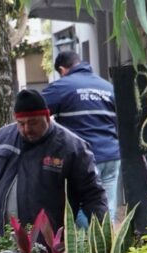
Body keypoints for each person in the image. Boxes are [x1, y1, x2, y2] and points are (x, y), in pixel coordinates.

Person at [0, 88, 108, 235]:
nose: (26, 129)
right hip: (2, 237)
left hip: (48, 243)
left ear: (46, 116)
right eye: (21, 123)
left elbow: (93, 194)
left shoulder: (72, 147)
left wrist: (104, 232)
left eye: (33, 123)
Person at [41, 50, 121, 223]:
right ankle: (108, 246)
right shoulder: (107, 87)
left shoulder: (62, 86)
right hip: (111, 156)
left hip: (83, 159)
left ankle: (85, 246)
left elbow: (35, 110)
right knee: (108, 207)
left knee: (81, 206)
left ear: (62, 69)